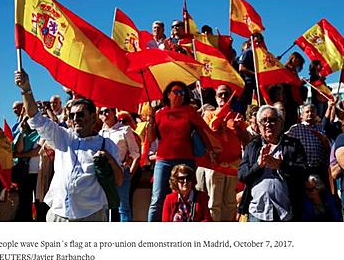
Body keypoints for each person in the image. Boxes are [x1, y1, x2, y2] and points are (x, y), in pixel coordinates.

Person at [14, 70, 123, 222]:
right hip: (58, 213)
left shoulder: (106, 144)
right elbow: (36, 119)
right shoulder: (63, 136)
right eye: (72, 116)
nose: (75, 119)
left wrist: (109, 158)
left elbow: (118, 180)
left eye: (80, 114)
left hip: (91, 215)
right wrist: (26, 89)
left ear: (93, 117)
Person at [146, 81, 215, 222]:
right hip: (163, 160)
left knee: (186, 196)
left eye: (183, 93)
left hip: (186, 159)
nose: (180, 95)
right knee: (157, 199)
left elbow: (203, 131)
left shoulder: (189, 111)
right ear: (168, 94)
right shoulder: (159, 113)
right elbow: (151, 138)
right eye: (176, 92)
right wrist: (151, 119)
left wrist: (211, 150)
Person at [238, 105, 307, 222]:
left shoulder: (293, 145)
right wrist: (258, 165)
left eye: (272, 120)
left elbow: (303, 173)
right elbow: (242, 175)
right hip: (258, 213)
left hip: (286, 212)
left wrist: (281, 166)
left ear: (280, 123)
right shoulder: (252, 146)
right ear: (259, 126)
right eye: (264, 121)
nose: (268, 124)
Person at [201, 85, 250, 221]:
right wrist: (220, 115)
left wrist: (237, 129)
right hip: (215, 165)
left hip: (233, 165)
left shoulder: (236, 116)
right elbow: (208, 132)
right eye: (220, 94)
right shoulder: (208, 114)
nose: (223, 97)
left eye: (226, 94)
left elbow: (246, 138)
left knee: (230, 204)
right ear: (216, 97)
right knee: (214, 204)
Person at [99, 107, 140, 222]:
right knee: (104, 206)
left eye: (107, 111)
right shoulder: (100, 133)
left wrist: (127, 164)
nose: (104, 114)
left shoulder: (125, 129)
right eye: (101, 112)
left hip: (121, 171)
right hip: (105, 172)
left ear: (113, 112)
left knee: (123, 207)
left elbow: (135, 152)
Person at [286, 102, 334, 185]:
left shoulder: (321, 127)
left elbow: (329, 146)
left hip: (319, 169)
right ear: (301, 115)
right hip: (303, 169)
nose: (310, 113)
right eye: (307, 112)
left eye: (312, 111)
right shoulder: (296, 129)